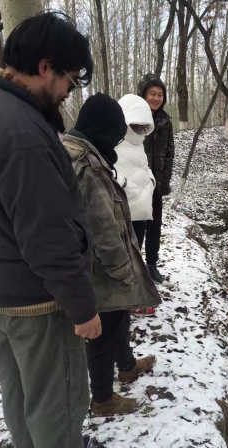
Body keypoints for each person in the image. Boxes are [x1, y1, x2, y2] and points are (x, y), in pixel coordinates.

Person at [0, 13, 127, 448]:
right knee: (60, 397)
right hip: (38, 295)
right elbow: (47, 235)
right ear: (46, 67)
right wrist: (83, 308)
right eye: (68, 79)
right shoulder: (21, 132)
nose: (69, 92)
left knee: (21, 389)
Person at [63, 93, 161, 416]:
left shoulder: (83, 152)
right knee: (104, 331)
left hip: (98, 264)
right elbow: (102, 226)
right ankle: (103, 398)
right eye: (115, 134)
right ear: (102, 129)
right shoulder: (86, 166)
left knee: (120, 316)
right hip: (101, 268)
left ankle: (128, 365)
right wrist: (123, 269)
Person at [114, 94, 157, 316]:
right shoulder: (114, 141)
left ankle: (135, 299)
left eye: (144, 126)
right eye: (136, 125)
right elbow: (109, 172)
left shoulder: (139, 145)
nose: (140, 130)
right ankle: (127, 301)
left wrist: (150, 181)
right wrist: (127, 187)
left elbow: (143, 167)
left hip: (141, 211)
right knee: (125, 257)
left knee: (136, 255)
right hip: (124, 210)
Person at [137, 73, 175, 284]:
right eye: (152, 94)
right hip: (136, 184)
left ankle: (151, 264)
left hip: (156, 184)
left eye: (160, 94)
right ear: (143, 94)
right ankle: (135, 266)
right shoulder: (132, 118)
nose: (156, 98)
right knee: (136, 227)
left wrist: (164, 181)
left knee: (154, 225)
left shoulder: (165, 121)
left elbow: (170, 152)